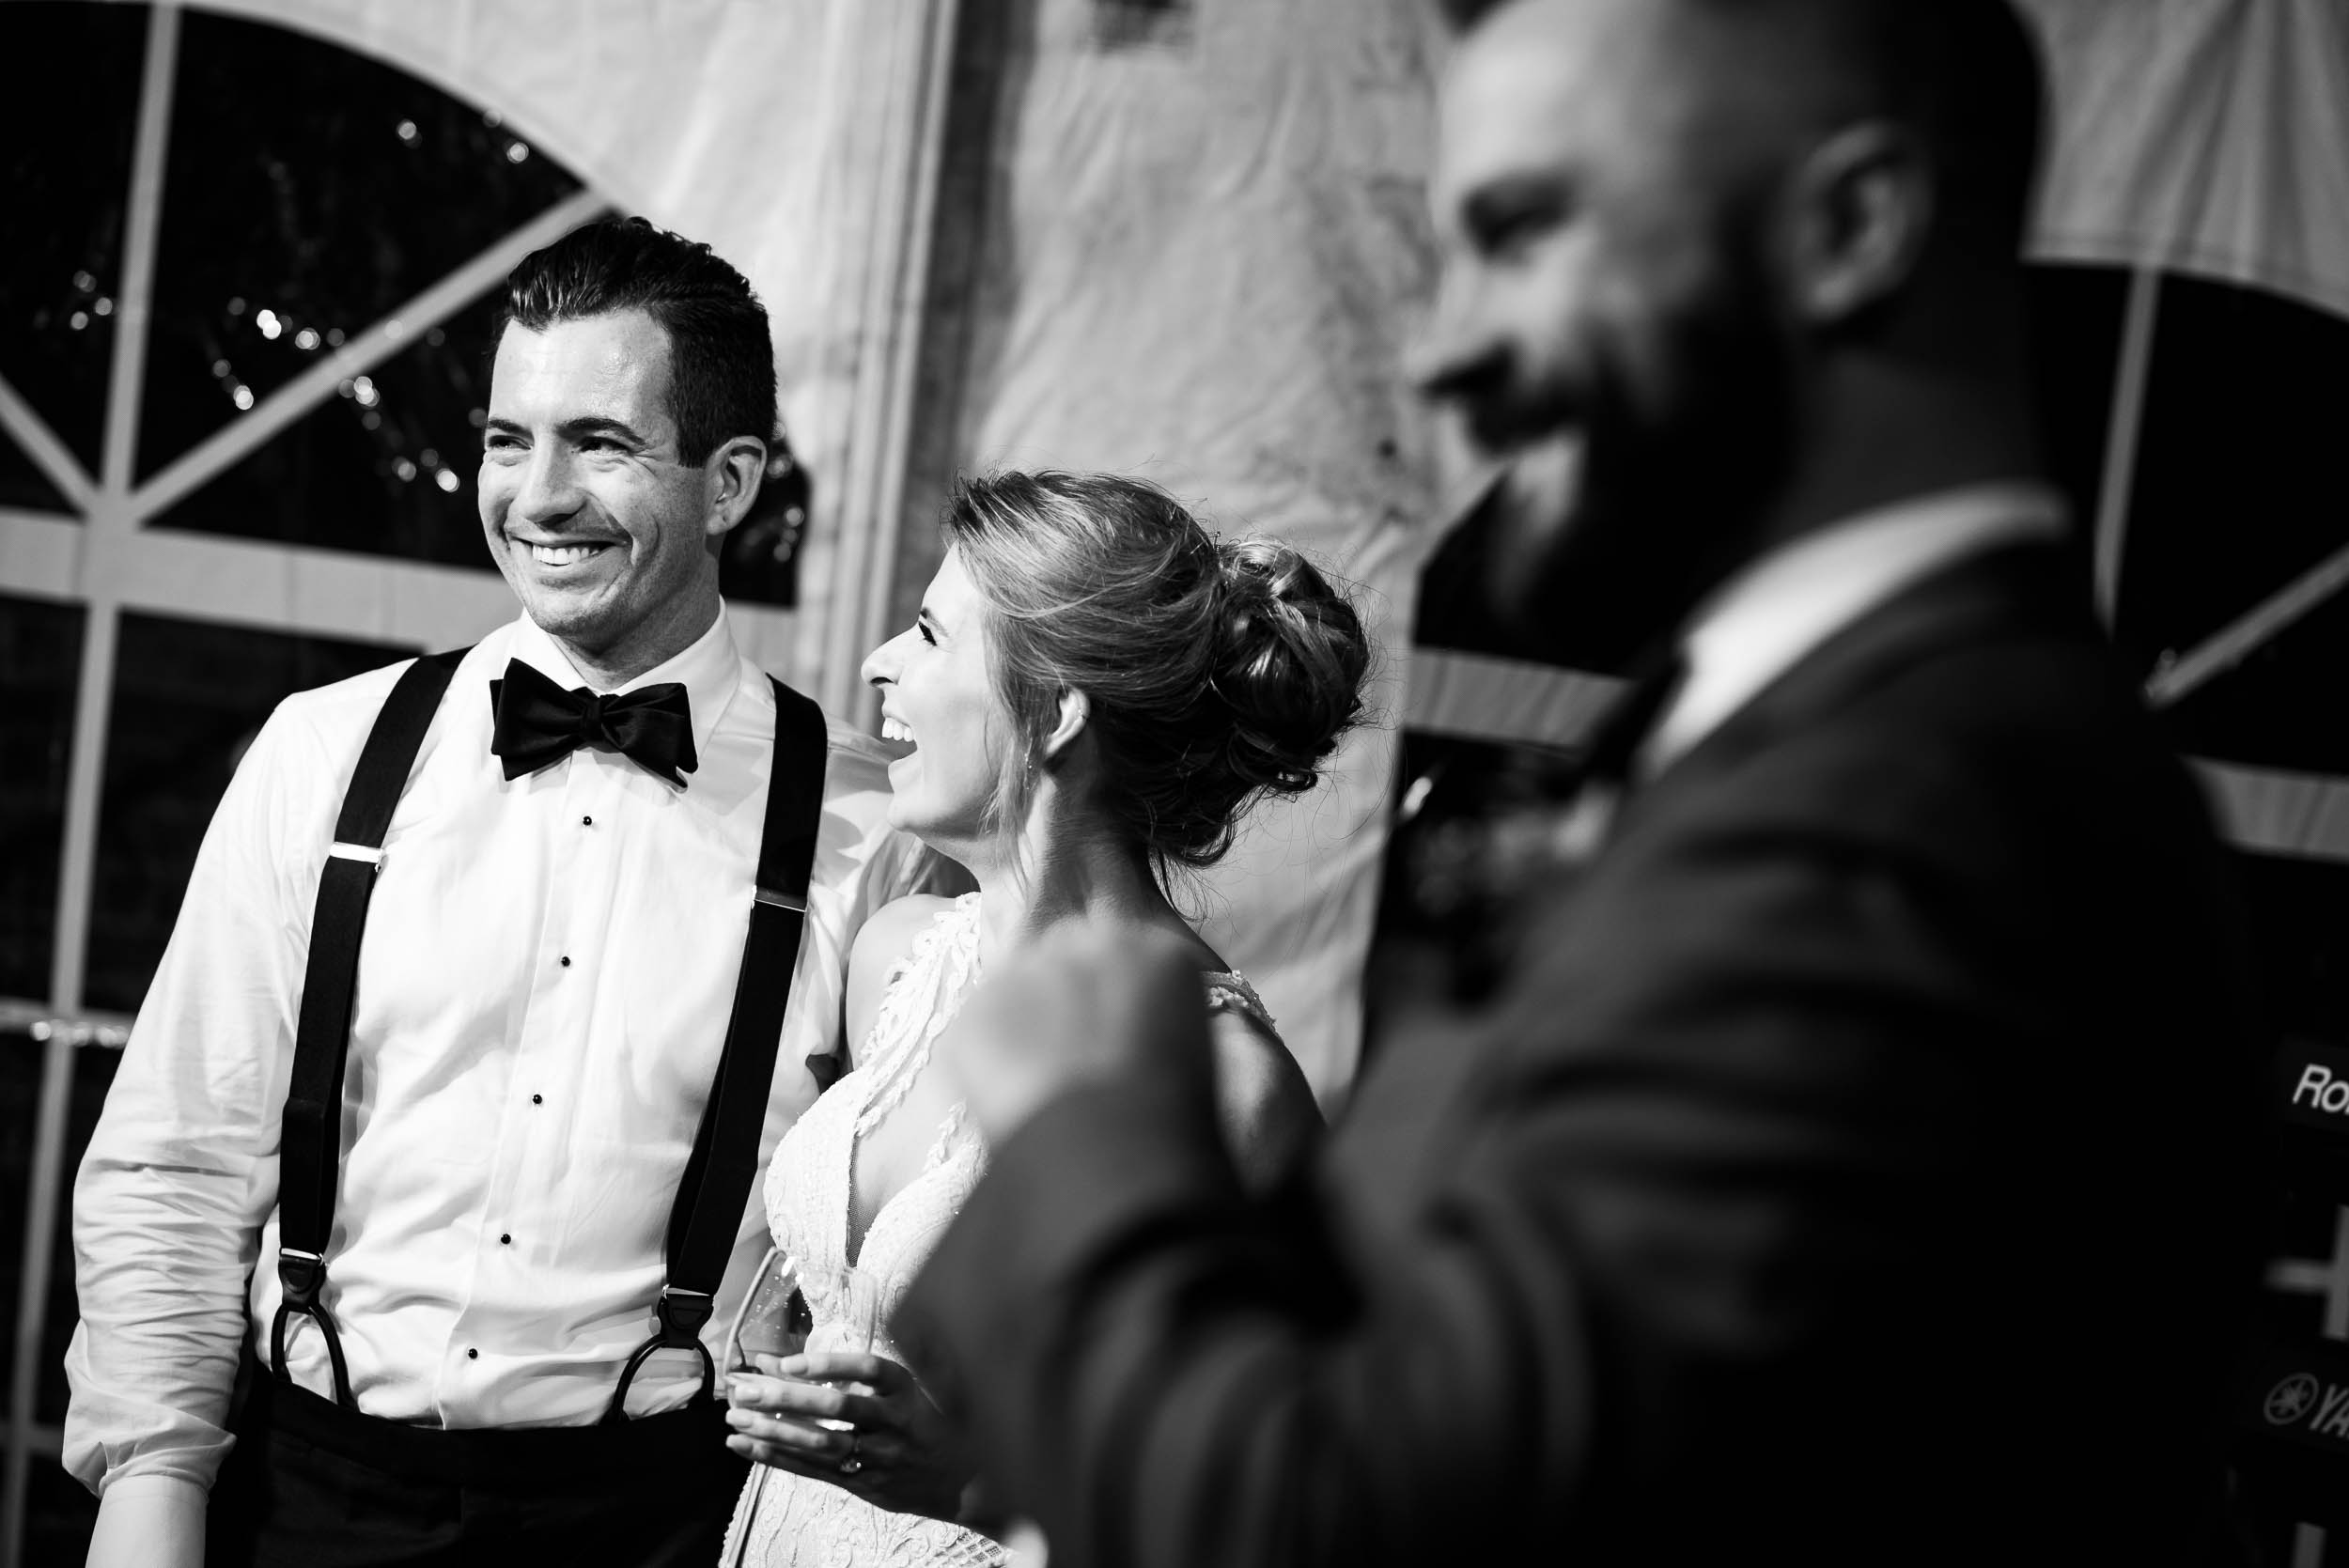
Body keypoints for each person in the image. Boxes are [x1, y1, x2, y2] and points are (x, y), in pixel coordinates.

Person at [895, 2, 2268, 1564]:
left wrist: (1095, 1118)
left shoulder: (1918, 820)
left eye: (1527, 234)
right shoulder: (1784, 737)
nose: (1443, 349)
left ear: (1850, 226)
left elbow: (1354, 1519)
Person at [65, 217, 935, 1566]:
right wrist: (149, 1487)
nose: (537, 496)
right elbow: (175, 1160)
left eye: (601, 442)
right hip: (303, 1499)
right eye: (506, 439)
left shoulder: (866, 825)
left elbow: (894, 1250)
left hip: (657, 1521)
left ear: (730, 482)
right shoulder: (324, 751)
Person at [716, 471, 1364, 1565]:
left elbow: (1260, 1515)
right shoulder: (898, 956)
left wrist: (971, 1483)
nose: (880, 662)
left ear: (1056, 710)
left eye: (928, 633)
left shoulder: (1225, 1084)